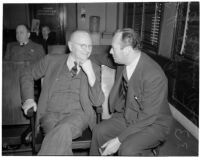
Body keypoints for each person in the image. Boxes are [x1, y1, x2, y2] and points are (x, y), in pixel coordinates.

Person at [89, 28, 173, 156]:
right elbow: (101, 58)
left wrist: (118, 140)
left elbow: (147, 118)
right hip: (129, 116)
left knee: (127, 149)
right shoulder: (123, 61)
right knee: (99, 131)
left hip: (154, 124)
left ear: (127, 50)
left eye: (113, 48)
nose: (110, 52)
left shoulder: (154, 76)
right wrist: (80, 57)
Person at [20, 30, 105, 155]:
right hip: (50, 115)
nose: (88, 50)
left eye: (90, 46)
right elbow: (26, 73)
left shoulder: (94, 68)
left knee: (62, 129)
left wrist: (91, 74)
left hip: (78, 116)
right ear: (70, 46)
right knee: (60, 136)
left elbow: (97, 101)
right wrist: (28, 99)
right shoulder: (51, 61)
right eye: (83, 46)